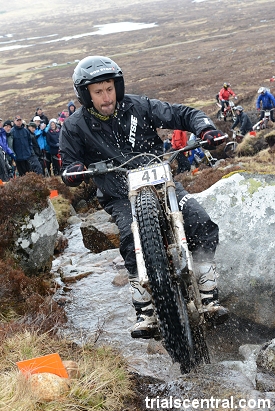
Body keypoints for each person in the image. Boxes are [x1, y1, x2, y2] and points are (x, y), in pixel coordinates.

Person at [60, 55, 229, 339]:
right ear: (85, 95)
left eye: (109, 88)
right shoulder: (75, 126)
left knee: (200, 220)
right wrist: (74, 170)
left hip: (162, 182)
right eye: (98, 91)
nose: (106, 96)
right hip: (119, 194)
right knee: (129, 236)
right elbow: (68, 162)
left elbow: (182, 114)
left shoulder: (139, 106)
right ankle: (145, 308)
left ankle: (208, 290)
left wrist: (205, 128)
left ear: (118, 86)